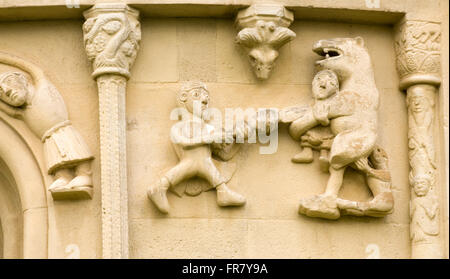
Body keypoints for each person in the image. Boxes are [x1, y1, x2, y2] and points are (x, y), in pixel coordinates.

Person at [147, 81, 246, 213]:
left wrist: (237, 139)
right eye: (197, 95)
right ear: (183, 97)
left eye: (206, 97)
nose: (204, 100)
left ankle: (223, 192)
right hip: (190, 162)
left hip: (204, 163)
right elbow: (184, 143)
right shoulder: (179, 127)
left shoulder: (209, 128)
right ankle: (158, 187)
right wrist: (208, 139)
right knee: (197, 165)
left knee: (206, 164)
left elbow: (224, 154)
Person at [0, 71, 93, 198]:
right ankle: (63, 176)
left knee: (75, 149)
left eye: (9, 82)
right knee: (56, 160)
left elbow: (36, 71)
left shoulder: (42, 90)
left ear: (22, 79)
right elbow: (6, 110)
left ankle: (84, 174)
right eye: (0, 92)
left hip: (61, 130)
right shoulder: (22, 113)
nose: (6, 91)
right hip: (48, 138)